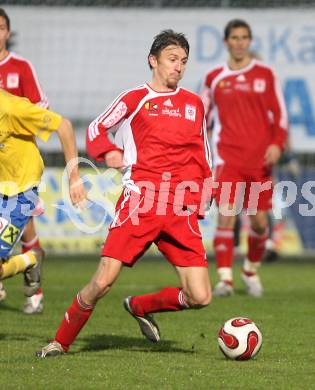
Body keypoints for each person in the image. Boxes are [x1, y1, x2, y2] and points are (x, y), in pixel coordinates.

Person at [37, 29, 214, 358]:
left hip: (180, 209)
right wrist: (108, 152)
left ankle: (139, 306)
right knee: (103, 282)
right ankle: (60, 341)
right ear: (153, 60)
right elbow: (95, 128)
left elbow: (204, 153)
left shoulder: (194, 104)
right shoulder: (135, 98)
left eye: (184, 61)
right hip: (140, 203)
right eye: (172, 59)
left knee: (200, 296)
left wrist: (207, 188)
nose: (179, 67)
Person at [200, 19, 288, 297]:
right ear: (226, 42)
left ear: (250, 41)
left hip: (260, 161)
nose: (239, 42)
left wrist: (277, 144)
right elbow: (202, 117)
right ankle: (225, 280)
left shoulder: (266, 74)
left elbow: (281, 116)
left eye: (244, 37)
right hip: (228, 158)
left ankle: (250, 270)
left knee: (259, 223)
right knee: (226, 215)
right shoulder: (214, 77)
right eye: (234, 38)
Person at [0, 88, 86, 307]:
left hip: (19, 195)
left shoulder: (12, 108)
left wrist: (74, 177)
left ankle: (31, 258)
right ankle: (30, 259)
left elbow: (64, 126)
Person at [0, 8, 49, 313]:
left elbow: (41, 106)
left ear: (8, 32)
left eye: (0, 27)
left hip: (16, 171)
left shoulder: (20, 67)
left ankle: (36, 293)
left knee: (24, 229)